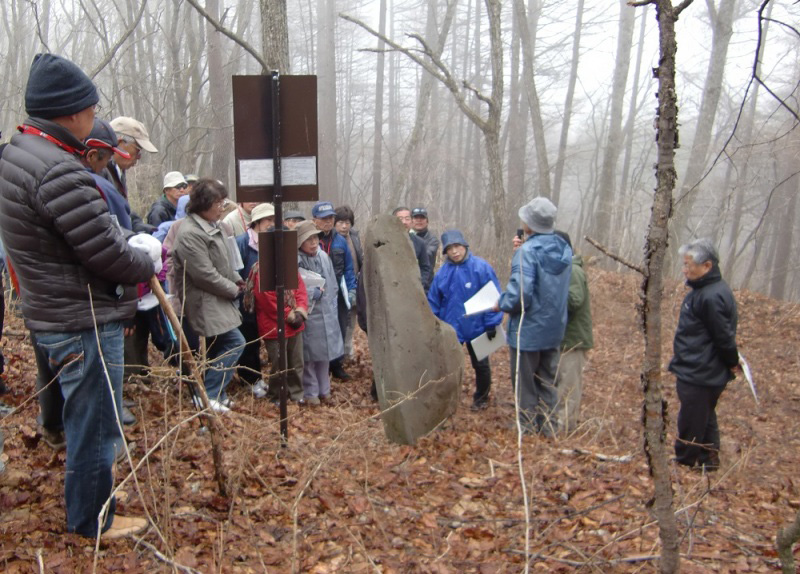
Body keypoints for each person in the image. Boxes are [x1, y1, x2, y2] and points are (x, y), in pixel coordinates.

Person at [0, 53, 158, 538]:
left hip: (52, 311)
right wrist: (149, 261)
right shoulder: (60, 172)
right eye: (90, 110)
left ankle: (89, 504)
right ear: (69, 113)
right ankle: (93, 520)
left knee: (83, 417)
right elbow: (107, 254)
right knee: (95, 425)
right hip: (82, 318)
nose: (94, 120)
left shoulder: (18, 153)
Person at [497, 197, 572, 436]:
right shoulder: (564, 248)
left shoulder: (527, 252)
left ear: (530, 224)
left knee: (525, 381)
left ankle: (527, 427)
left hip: (528, 330)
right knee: (548, 379)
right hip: (554, 328)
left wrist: (500, 303)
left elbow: (520, 296)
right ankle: (549, 426)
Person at [172, 179, 245, 412]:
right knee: (235, 342)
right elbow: (204, 274)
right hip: (204, 300)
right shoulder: (190, 233)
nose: (222, 207)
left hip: (218, 296)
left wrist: (237, 279)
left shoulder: (213, 225)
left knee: (217, 347)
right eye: (218, 202)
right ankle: (209, 395)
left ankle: (217, 394)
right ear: (204, 204)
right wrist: (232, 289)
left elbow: (224, 261)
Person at [669, 239, 739, 472]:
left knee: (691, 419)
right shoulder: (702, 291)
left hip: (701, 371)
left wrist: (732, 362)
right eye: (684, 263)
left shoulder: (712, 296)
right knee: (705, 416)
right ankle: (708, 463)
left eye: (689, 264)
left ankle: (684, 463)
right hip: (695, 366)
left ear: (707, 266)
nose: (684, 269)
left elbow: (724, 337)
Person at [428, 230, 503, 410]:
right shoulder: (442, 273)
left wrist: (492, 323)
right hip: (452, 328)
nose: (455, 252)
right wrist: (435, 326)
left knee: (481, 365)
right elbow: (433, 301)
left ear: (464, 246)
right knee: (448, 367)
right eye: (450, 249)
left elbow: (494, 297)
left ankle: (482, 398)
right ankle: (448, 399)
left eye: (457, 247)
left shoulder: (481, 267)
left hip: (478, 326)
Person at [296, 220, 343, 405]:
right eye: (309, 239)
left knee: (324, 354)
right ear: (300, 242)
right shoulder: (295, 259)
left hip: (326, 311)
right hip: (309, 314)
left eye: (315, 238)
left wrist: (332, 303)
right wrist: (309, 294)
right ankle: (310, 392)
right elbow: (292, 290)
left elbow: (332, 283)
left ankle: (325, 389)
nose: (314, 242)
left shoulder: (323, 256)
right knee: (309, 356)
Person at [553, 231, 593, 434]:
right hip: (561, 338)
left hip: (573, 339)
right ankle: (557, 424)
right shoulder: (561, 270)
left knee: (569, 386)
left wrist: (549, 293)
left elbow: (573, 301)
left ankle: (565, 429)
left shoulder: (573, 271)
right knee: (558, 383)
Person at [312, 201, 356, 381]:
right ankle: (319, 366)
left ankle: (336, 365)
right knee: (318, 329)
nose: (328, 222)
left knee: (339, 327)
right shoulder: (310, 239)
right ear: (314, 220)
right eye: (323, 218)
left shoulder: (340, 240)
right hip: (316, 292)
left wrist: (352, 289)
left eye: (330, 218)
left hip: (338, 291)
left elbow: (348, 268)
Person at [235, 203, 274, 395]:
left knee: (262, 342)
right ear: (257, 222)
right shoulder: (242, 242)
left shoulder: (274, 241)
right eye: (268, 220)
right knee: (249, 341)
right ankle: (250, 380)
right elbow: (235, 271)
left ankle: (259, 378)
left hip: (268, 303)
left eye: (274, 220)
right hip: (246, 303)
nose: (271, 224)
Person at [105, 116, 159, 234]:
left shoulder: (118, 171)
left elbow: (124, 209)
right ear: (120, 143)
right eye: (137, 152)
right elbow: (104, 220)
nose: (137, 159)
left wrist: (144, 227)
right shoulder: (99, 171)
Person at [334, 205, 363, 360]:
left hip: (353, 285)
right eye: (340, 222)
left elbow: (360, 259)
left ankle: (347, 352)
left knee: (351, 321)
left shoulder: (354, 237)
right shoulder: (330, 240)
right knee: (338, 322)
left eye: (347, 222)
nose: (344, 226)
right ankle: (337, 355)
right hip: (337, 288)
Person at [392, 207, 433, 292]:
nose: (404, 222)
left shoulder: (419, 242)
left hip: (412, 289)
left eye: (407, 219)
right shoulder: (385, 241)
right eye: (400, 219)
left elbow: (425, 267)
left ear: (411, 222)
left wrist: (420, 284)